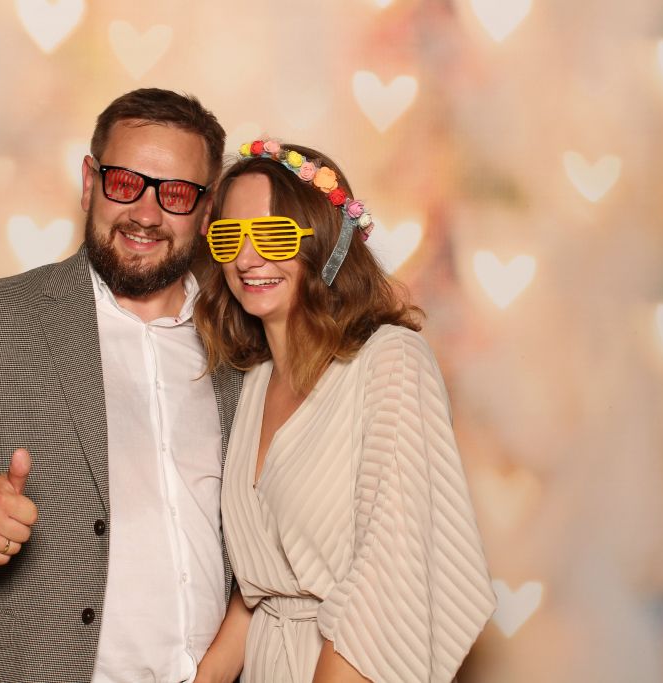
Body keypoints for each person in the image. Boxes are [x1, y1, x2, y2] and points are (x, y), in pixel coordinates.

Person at [0, 88, 249, 683]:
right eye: (124, 183)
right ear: (89, 183)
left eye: (176, 194)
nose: (146, 214)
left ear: (206, 212)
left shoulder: (243, 337)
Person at [193, 139, 497, 682]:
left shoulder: (391, 362)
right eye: (228, 237)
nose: (246, 258)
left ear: (327, 244)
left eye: (273, 236)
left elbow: (389, 581)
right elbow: (260, 591)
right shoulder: (252, 382)